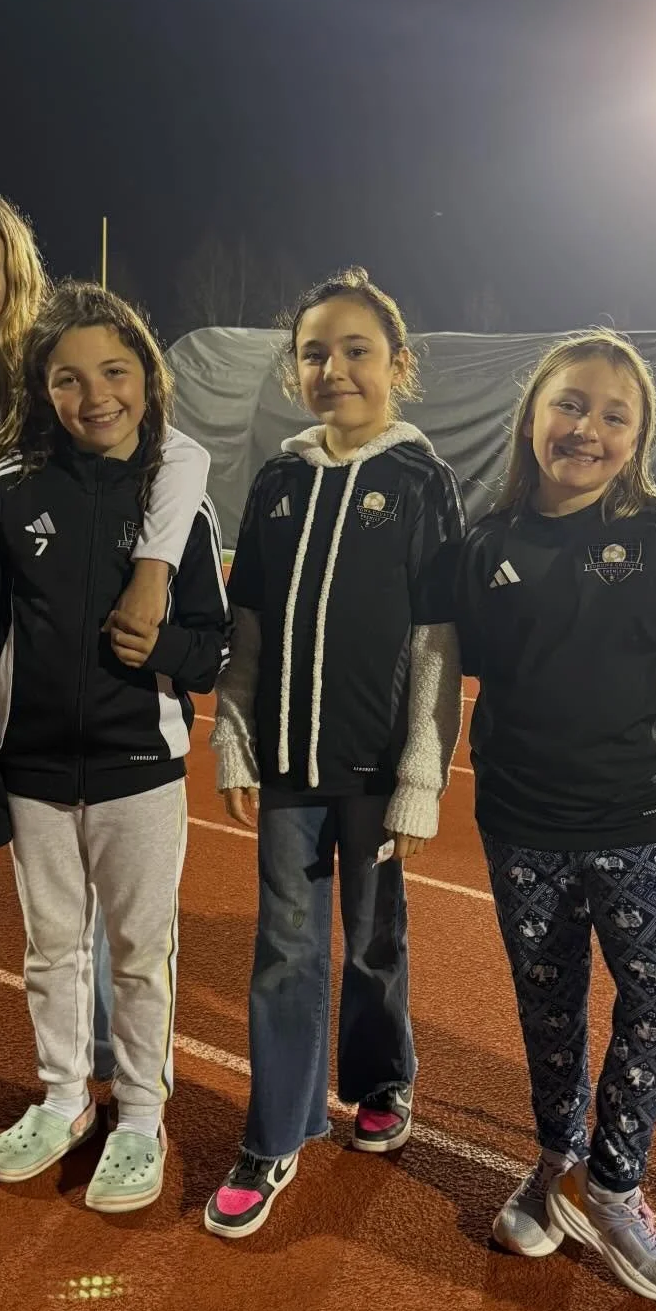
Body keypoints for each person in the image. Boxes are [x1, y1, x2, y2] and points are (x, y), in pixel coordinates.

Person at [0, 183, 210, 1139]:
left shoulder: (37, 380)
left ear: (14, 274)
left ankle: (102, 1059)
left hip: (37, 666)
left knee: (79, 872)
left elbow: (174, 455)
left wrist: (149, 574)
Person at [0, 283, 229, 1210]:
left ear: (148, 375)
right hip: (32, 773)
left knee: (142, 950)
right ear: (41, 390)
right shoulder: (12, 488)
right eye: (67, 379)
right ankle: (64, 1098)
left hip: (139, 768)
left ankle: (140, 1113)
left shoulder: (178, 499)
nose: (94, 395)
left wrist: (170, 650)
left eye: (115, 370)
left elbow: (215, 645)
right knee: (51, 948)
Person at [204, 266, 464, 1238]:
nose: (334, 367)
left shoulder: (420, 480)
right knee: (285, 950)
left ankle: (383, 1077)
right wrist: (233, 737)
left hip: (376, 769)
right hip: (288, 773)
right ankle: (275, 1134)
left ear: (398, 364)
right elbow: (250, 626)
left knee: (376, 940)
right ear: (292, 370)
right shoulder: (277, 481)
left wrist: (421, 776)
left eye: (356, 349)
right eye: (314, 351)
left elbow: (437, 642)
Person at [456, 331, 656, 1302]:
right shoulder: (489, 543)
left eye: (614, 414)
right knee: (549, 1007)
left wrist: (629, 714)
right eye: (570, 405)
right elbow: (472, 663)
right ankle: (556, 1162)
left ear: (640, 435)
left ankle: (611, 1181)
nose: (587, 428)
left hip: (632, 815)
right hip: (521, 820)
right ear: (532, 417)